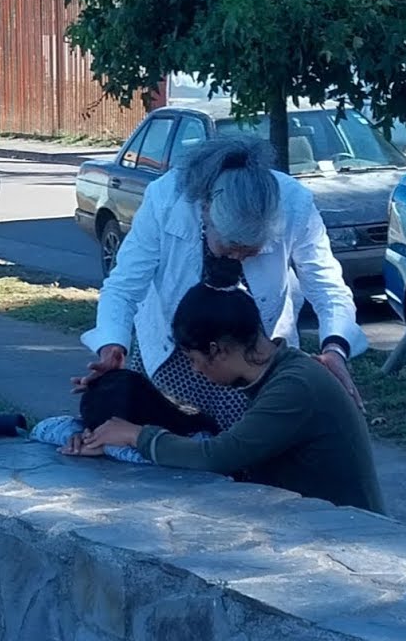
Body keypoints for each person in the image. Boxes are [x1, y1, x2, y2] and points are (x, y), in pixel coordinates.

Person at [74, 135, 368, 433]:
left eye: (251, 250)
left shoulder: (294, 202)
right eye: (231, 247)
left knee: (251, 450)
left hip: (257, 357)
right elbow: (123, 286)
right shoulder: (165, 198)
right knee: (177, 448)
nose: (238, 257)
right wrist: (112, 344)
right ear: (205, 211)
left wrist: (335, 346)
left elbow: (327, 285)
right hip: (177, 355)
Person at [74, 281, 385, 514]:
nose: (195, 371)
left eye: (192, 359)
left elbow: (217, 456)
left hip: (352, 536)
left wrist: (135, 435)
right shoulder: (280, 374)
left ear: (215, 350)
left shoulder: (294, 387)